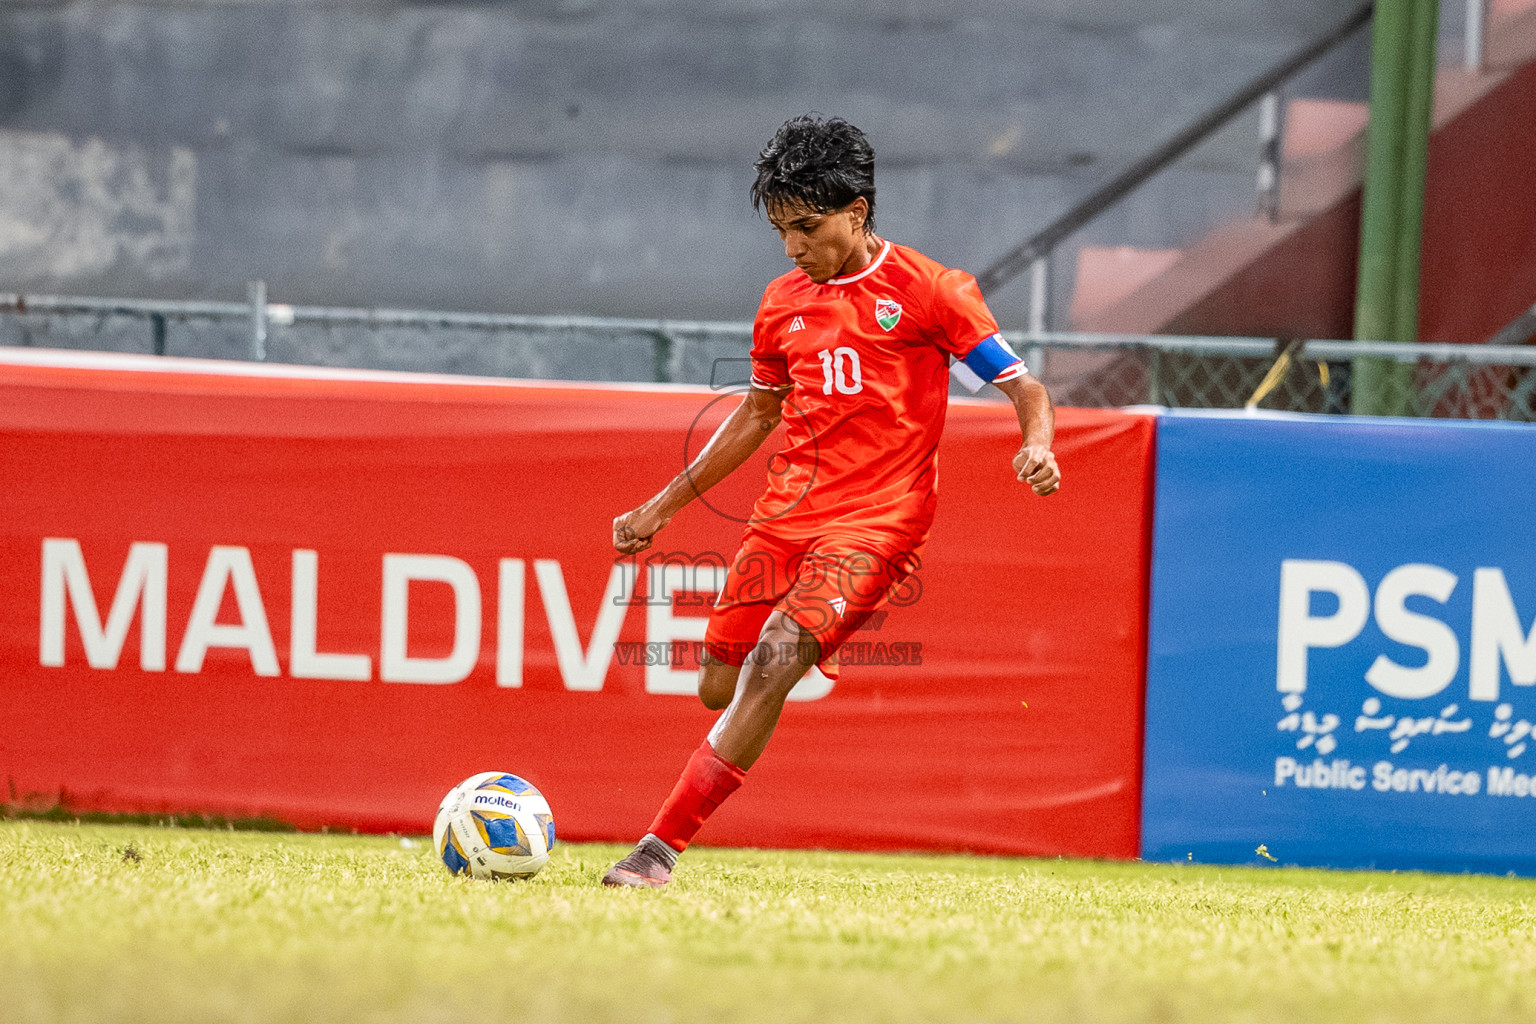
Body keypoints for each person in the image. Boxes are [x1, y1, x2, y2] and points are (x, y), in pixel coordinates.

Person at [602, 114, 1060, 888]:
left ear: (857, 210)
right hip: (785, 518)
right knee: (719, 682)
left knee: (777, 658)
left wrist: (1038, 442)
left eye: (806, 227)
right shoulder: (782, 302)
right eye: (782, 229)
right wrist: (660, 507)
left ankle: (658, 850)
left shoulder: (932, 292)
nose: (792, 247)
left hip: (881, 521)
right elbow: (755, 415)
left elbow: (1025, 386)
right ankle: (807, 644)